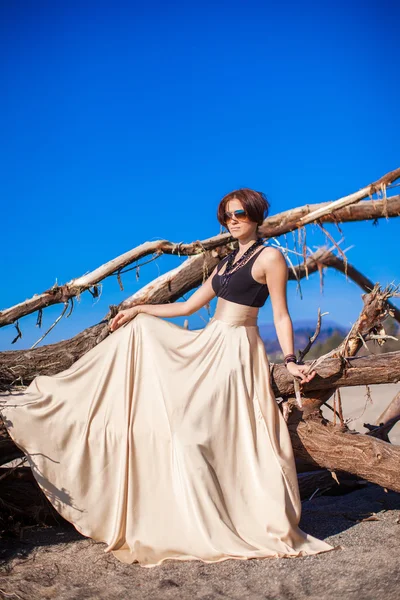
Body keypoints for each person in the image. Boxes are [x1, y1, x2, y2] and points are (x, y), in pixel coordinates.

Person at [1, 188, 340, 568]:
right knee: (140, 336)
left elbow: (280, 314)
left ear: (257, 216)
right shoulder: (227, 262)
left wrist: (291, 360)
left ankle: (220, 514)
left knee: (191, 433)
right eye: (226, 215)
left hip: (236, 351)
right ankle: (63, 399)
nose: (232, 220)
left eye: (240, 214)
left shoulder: (270, 257)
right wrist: (139, 308)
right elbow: (189, 305)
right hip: (209, 341)